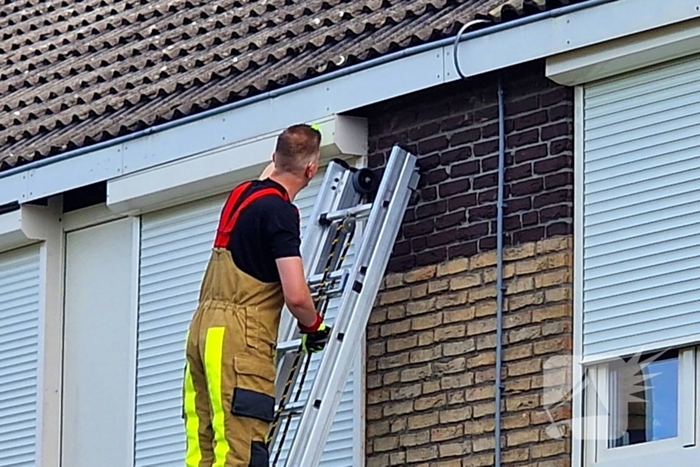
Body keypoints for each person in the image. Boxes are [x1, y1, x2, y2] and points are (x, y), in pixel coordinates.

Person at [182, 124, 331, 467]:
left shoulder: (242, 195)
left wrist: (296, 143)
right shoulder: (281, 214)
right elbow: (296, 296)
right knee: (241, 448)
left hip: (203, 331)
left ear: (273, 158)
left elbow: (272, 174)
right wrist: (314, 327)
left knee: (204, 445)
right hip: (239, 339)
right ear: (312, 170)